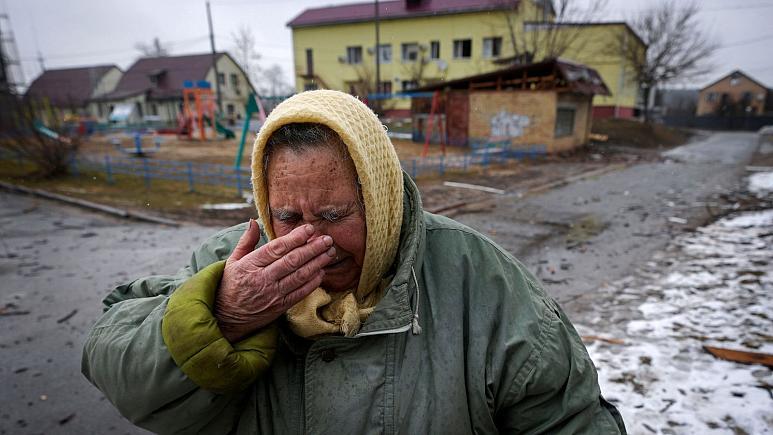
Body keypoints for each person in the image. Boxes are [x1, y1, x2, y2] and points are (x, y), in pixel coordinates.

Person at [82, 90, 626, 434]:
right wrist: (221, 317)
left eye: (336, 213)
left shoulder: (480, 280)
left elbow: (569, 419)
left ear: (383, 202)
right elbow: (114, 359)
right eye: (288, 214)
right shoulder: (232, 262)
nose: (312, 241)